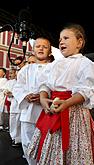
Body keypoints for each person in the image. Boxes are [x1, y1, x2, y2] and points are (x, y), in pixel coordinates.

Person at [27, 23, 94, 165]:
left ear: (79, 42)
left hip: (73, 113)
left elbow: (86, 90)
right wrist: (44, 98)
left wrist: (67, 103)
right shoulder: (54, 65)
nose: (61, 41)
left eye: (66, 38)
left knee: (73, 147)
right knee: (51, 149)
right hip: (53, 110)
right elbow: (45, 84)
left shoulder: (86, 64)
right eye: (59, 39)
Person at [12, 36, 53, 165]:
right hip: (28, 113)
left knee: (47, 143)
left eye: (45, 46)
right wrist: (27, 96)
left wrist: (44, 97)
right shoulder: (25, 70)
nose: (41, 48)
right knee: (28, 143)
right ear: (33, 50)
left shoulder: (55, 68)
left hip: (48, 113)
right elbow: (18, 87)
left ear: (50, 51)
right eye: (38, 46)